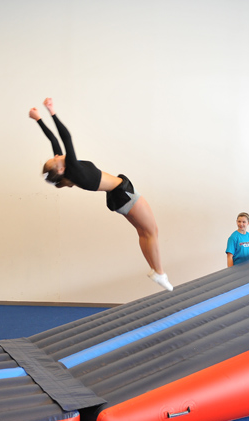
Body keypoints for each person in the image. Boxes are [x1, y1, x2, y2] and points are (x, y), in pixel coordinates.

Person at [29, 98, 173, 291]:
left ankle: (155, 270)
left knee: (144, 232)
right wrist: (51, 111)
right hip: (123, 193)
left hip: (118, 197)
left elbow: (54, 140)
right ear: (61, 169)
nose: (56, 155)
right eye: (55, 160)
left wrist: (38, 119)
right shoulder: (73, 169)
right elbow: (66, 137)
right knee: (152, 231)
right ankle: (160, 273)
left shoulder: (68, 171)